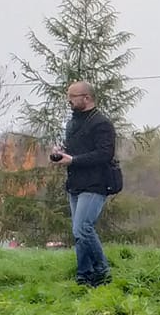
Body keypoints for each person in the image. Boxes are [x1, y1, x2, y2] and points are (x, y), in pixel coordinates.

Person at [49, 81, 122, 287]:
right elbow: (74, 149)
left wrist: (72, 160)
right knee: (77, 231)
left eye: (73, 97)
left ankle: (102, 270)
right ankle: (84, 274)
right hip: (75, 183)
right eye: (68, 96)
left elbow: (104, 154)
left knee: (83, 228)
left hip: (96, 184)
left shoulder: (102, 124)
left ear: (87, 98)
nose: (69, 101)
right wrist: (60, 151)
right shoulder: (72, 123)